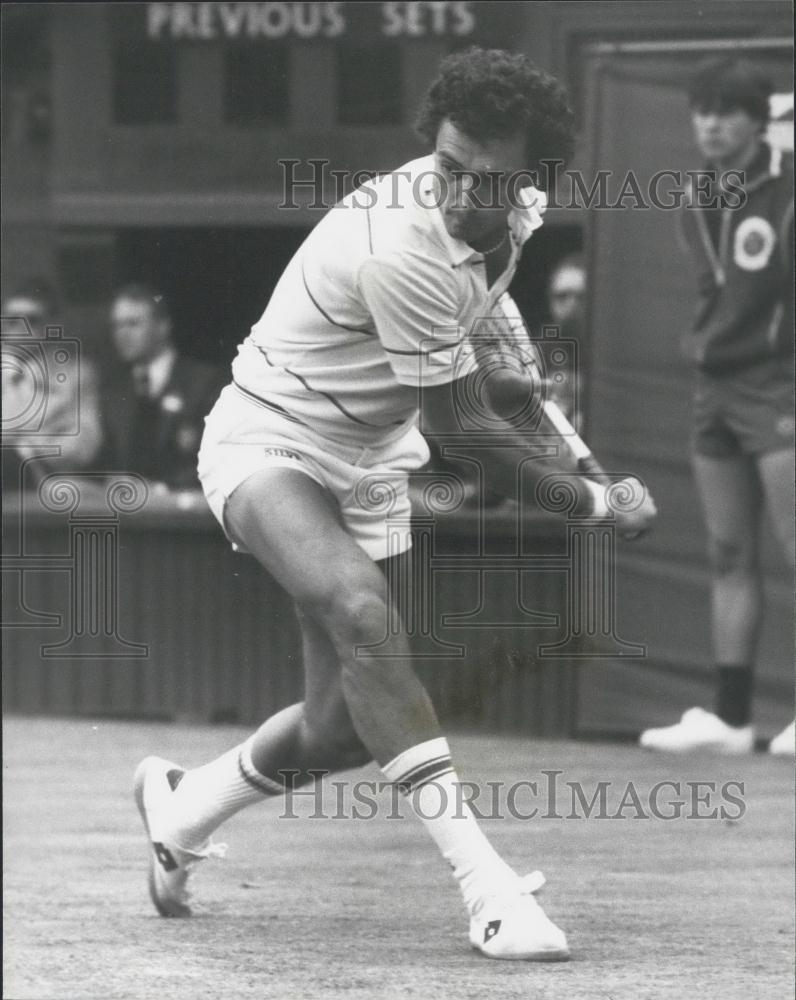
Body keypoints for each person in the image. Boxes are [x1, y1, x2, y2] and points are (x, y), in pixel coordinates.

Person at [134, 48, 656, 960]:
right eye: (447, 167)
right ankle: (488, 890)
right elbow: (466, 437)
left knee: (340, 726)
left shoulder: (515, 212)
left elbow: (481, 312)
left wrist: (514, 378)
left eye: (486, 181)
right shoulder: (396, 242)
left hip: (373, 453)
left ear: (532, 179)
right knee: (364, 618)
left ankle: (181, 809)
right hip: (271, 438)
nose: (459, 196)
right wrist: (592, 504)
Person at [640, 58, 794, 757]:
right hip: (717, 387)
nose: (710, 123)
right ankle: (732, 720)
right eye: (701, 109)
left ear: (761, 119)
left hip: (782, 383)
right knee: (728, 550)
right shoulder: (695, 196)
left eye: (726, 111)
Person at [102, 284, 226, 491]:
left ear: (162, 326)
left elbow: (218, 460)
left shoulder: (203, 382)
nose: (122, 334)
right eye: (116, 325)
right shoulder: (113, 390)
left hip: (185, 513)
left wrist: (161, 488)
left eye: (132, 324)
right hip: (125, 513)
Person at [1, 280, 104, 491]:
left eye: (32, 320)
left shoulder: (77, 375)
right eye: (12, 320)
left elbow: (85, 443)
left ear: (51, 323)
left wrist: (25, 452)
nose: (21, 328)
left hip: (51, 485)